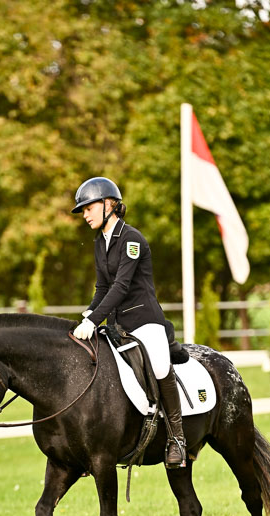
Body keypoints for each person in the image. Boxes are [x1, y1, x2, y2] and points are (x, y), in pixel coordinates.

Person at [71, 176, 186, 468]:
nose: (85, 214)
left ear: (109, 204)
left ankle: (177, 439)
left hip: (145, 319)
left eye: (88, 208)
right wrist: (88, 315)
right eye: (82, 210)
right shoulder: (100, 242)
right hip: (120, 324)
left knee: (160, 366)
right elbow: (101, 288)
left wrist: (96, 319)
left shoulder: (132, 239)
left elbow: (121, 286)